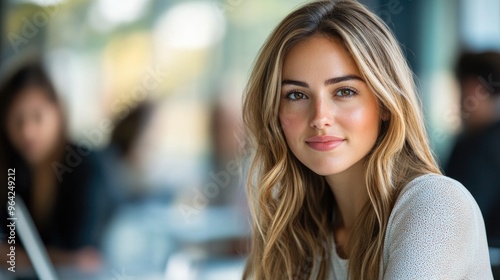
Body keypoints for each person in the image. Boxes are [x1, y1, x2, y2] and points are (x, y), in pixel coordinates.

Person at [241, 1, 493, 279]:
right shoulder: (296, 230)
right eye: (296, 95)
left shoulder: (435, 205)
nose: (320, 118)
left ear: (385, 103)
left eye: (344, 91)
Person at [0, 62, 111, 272]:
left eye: (37, 117)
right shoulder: (12, 168)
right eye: (17, 120)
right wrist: (61, 258)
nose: (27, 132)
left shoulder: (84, 165)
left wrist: (13, 256)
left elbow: (82, 258)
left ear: (58, 113)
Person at [445, 52, 500, 249]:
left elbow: (456, 219)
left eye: (461, 89)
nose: (459, 102)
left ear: (474, 89)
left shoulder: (481, 148)